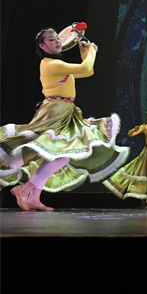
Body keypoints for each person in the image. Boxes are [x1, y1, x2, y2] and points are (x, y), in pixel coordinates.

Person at [0, 28, 129, 211]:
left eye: (58, 39)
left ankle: (33, 197)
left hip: (66, 110)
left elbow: (87, 70)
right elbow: (86, 69)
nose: (57, 42)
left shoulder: (55, 63)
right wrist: (91, 51)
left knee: (58, 156)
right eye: (51, 40)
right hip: (55, 111)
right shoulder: (51, 64)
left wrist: (84, 53)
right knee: (57, 154)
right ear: (42, 46)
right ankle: (25, 189)